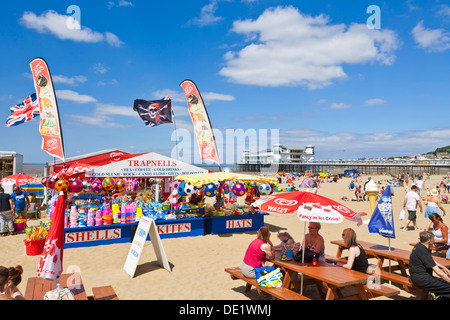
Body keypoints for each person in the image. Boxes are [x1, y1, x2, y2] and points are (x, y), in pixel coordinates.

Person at [409, 231, 450, 299]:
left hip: (418, 278)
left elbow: (430, 260)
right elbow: (439, 272)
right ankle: (437, 296)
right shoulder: (423, 250)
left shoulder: (418, 246)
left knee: (445, 283)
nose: (434, 242)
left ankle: (437, 295)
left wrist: (444, 267)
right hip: (423, 280)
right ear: (429, 241)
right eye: (433, 240)